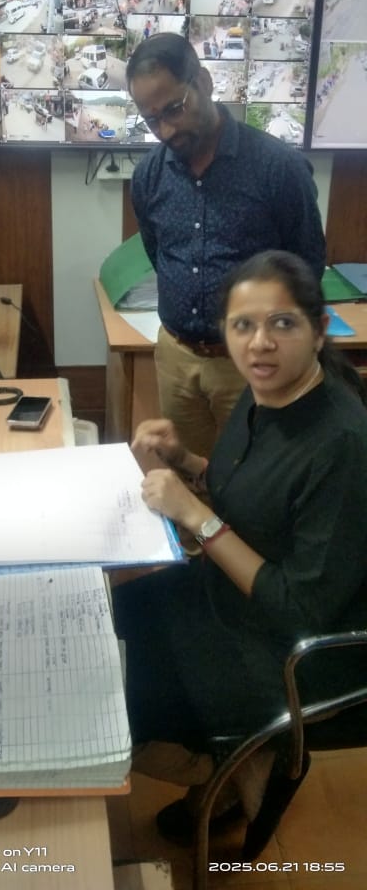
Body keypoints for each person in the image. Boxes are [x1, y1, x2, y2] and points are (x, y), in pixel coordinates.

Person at [112, 250, 367, 851]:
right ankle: (228, 768)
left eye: (282, 323)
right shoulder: (266, 391)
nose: (259, 343)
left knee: (119, 705)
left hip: (293, 649)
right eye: (242, 325)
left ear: (319, 329)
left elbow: (301, 608)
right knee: (106, 628)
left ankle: (238, 768)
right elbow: (253, 494)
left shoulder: (343, 443)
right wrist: (185, 460)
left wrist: (194, 515)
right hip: (227, 593)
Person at [126, 32, 325, 470]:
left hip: (254, 360)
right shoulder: (148, 176)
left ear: (204, 82)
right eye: (151, 119)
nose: (166, 130)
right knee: (187, 475)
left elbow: (307, 266)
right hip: (177, 358)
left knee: (257, 480)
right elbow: (159, 253)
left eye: (174, 109)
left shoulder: (277, 168)